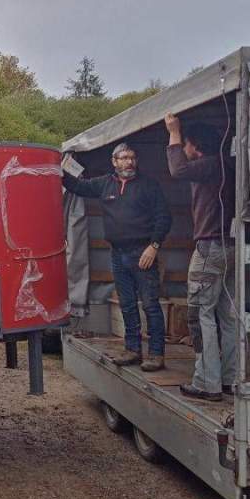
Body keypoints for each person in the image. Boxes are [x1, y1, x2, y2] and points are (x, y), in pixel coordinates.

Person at [62, 143, 172, 371]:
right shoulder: (105, 183)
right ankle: (132, 349)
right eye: (123, 158)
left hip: (143, 253)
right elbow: (77, 186)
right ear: (114, 162)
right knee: (127, 304)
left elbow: (164, 217)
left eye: (132, 157)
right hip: (117, 253)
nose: (128, 162)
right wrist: (56, 168)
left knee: (151, 305)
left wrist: (153, 246)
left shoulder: (149, 185)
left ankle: (156, 354)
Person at [165, 114, 235, 402]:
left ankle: (207, 383)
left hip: (209, 248)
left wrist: (173, 132)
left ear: (195, 146)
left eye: (186, 146)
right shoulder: (228, 167)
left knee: (199, 314)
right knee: (228, 316)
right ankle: (231, 378)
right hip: (232, 247)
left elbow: (178, 170)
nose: (184, 150)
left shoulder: (207, 165)